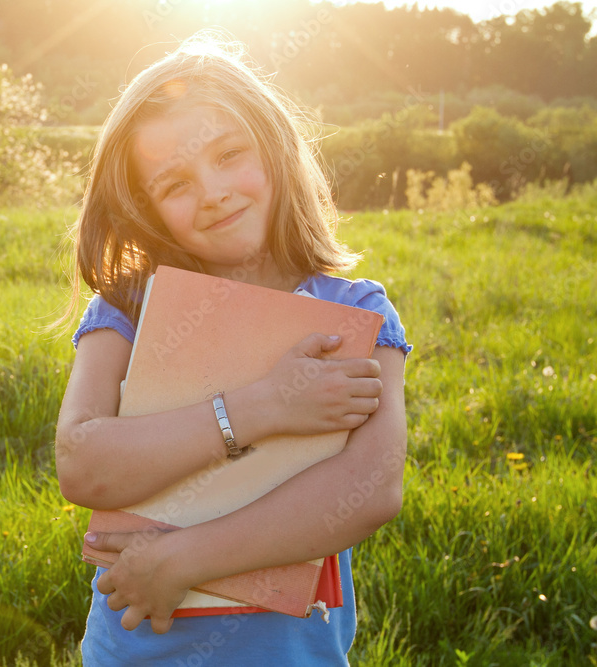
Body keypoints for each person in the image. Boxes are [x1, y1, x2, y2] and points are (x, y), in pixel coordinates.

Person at [55, 32, 412, 665]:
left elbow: (369, 489)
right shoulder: (127, 308)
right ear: (148, 210)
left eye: (228, 154)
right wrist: (260, 408)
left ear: (274, 149)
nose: (213, 191)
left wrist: (183, 559)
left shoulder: (355, 313)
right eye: (175, 185)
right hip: (138, 649)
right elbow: (83, 465)